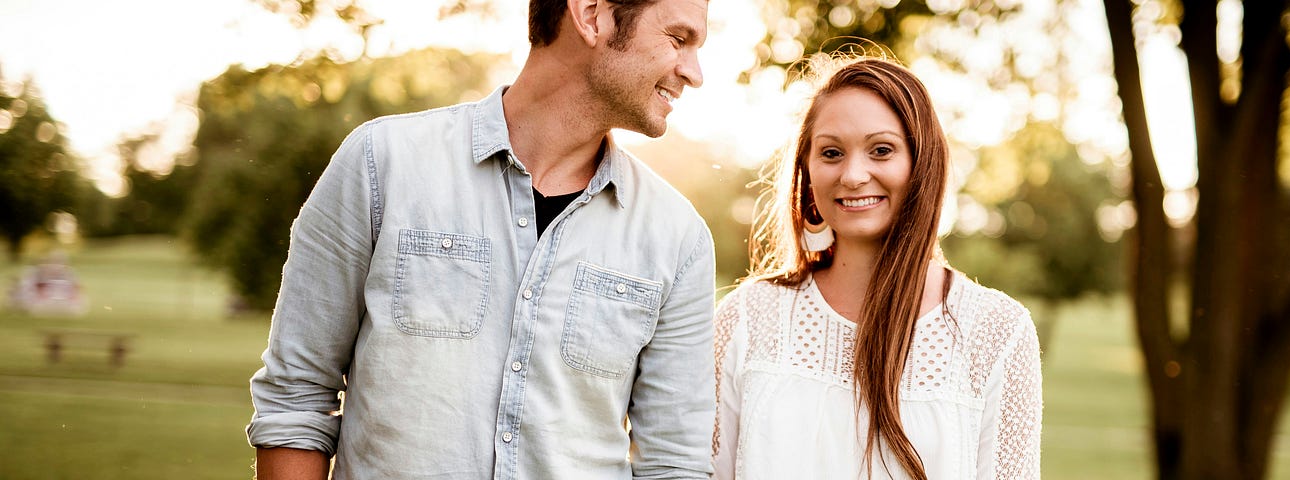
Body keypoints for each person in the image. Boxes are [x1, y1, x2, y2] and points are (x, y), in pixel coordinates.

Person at [246, 0, 717, 478]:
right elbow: (296, 400)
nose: (694, 73)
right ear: (592, 14)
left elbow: (673, 462)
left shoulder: (678, 237)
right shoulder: (382, 164)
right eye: (679, 40)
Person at [711, 58, 1042, 479]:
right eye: (831, 153)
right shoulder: (746, 320)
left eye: (881, 150)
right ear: (807, 173)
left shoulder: (997, 332)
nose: (852, 175)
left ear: (922, 164)